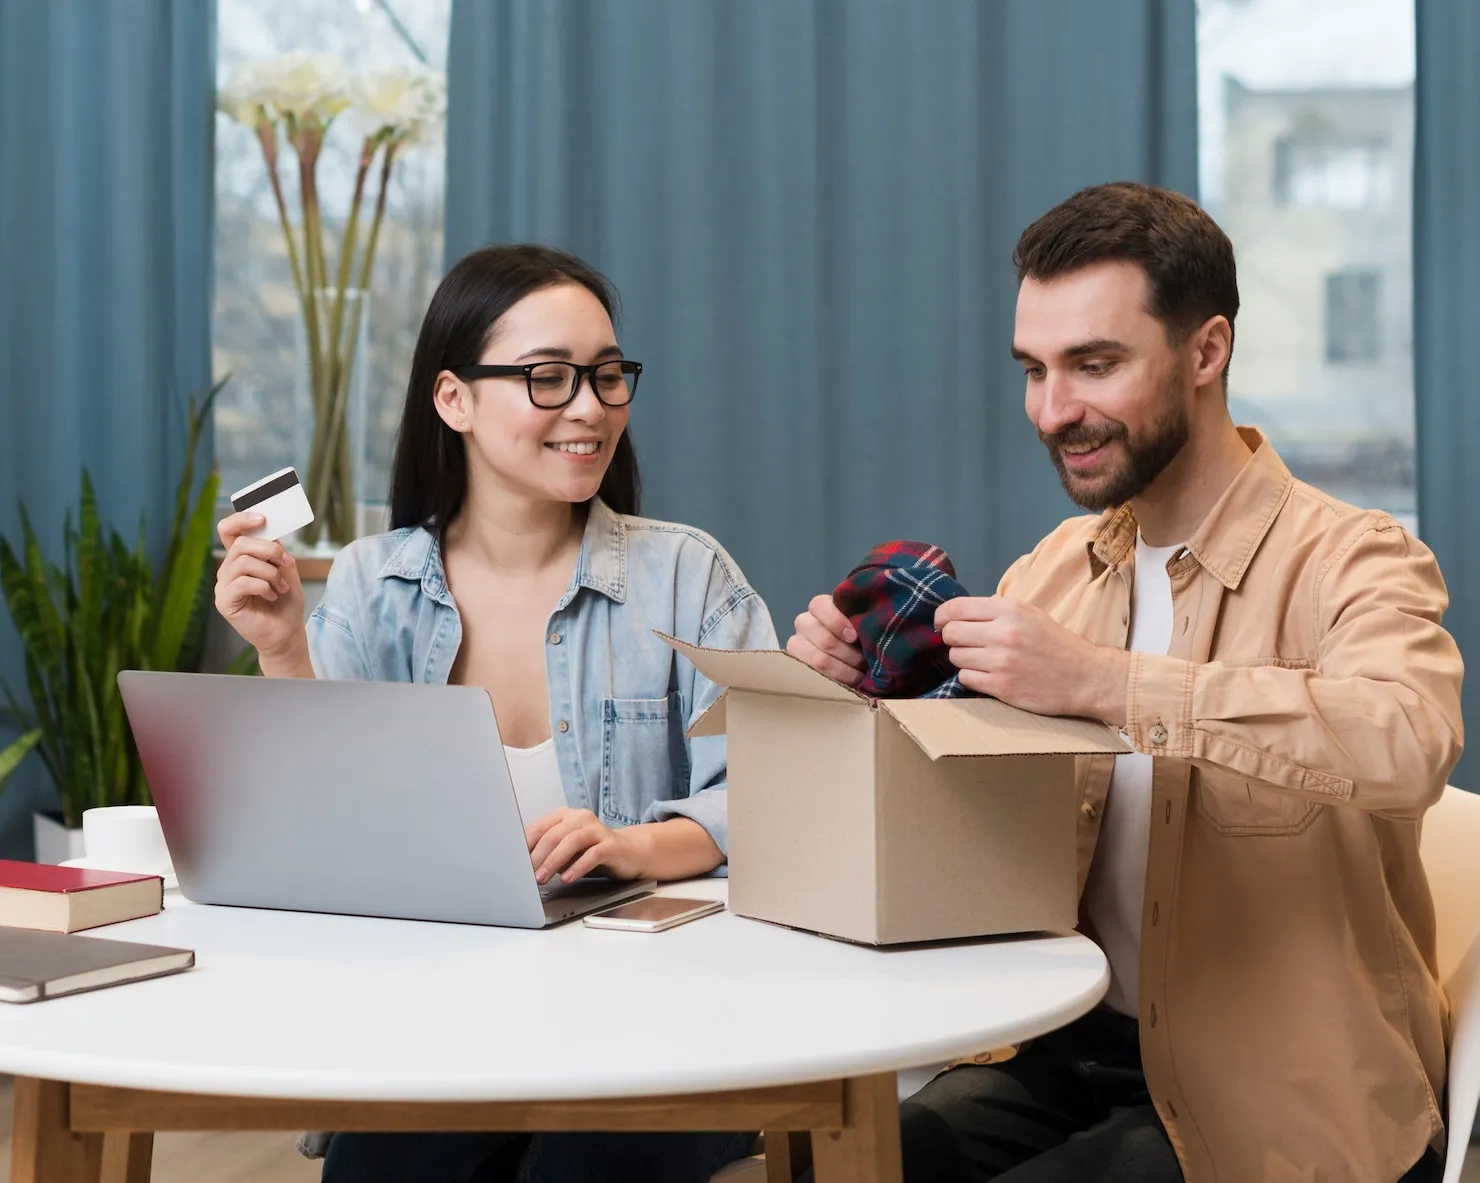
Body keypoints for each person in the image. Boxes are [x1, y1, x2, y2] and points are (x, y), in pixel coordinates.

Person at [788, 182, 1459, 1183]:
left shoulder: (1357, 558)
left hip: (1284, 1083)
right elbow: (966, 835)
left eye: (1093, 365)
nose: (1054, 410)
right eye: (1034, 370)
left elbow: (1405, 740)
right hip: (1062, 1049)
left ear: (1205, 351)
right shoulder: (1048, 572)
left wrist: (1106, 682)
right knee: (826, 1167)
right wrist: (849, 701)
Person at [214, 244, 773, 1183]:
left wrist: (638, 846)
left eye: (605, 376)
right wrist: (280, 647)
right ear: (454, 400)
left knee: (579, 1167)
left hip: (664, 1027)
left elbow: (784, 792)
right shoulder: (370, 583)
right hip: (440, 1026)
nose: (590, 408)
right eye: (548, 378)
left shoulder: (686, 577)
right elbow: (320, 826)